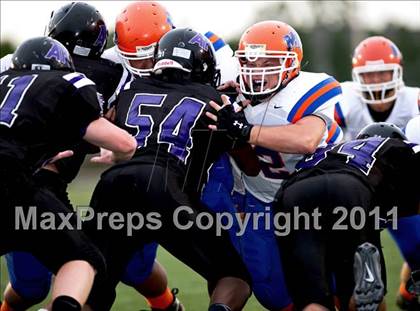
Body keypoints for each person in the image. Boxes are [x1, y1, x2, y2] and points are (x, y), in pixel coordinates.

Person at [83, 28, 252, 311]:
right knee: (234, 276)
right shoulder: (214, 99)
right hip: (166, 185)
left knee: (92, 285)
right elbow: (248, 163)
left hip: (115, 183)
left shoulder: (129, 91)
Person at [202, 20, 343, 310]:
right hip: (261, 200)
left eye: (269, 62)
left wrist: (244, 131)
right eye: (250, 62)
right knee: (270, 290)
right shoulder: (232, 98)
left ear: (292, 64)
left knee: (334, 283)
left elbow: (306, 139)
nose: (258, 70)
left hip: (317, 202)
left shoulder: (311, 87)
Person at [0, 36, 136, 311]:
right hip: (11, 180)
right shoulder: (68, 83)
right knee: (83, 260)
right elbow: (126, 144)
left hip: (20, 176)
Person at [273, 122, 420, 311]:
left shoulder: (331, 150)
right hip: (348, 189)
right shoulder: (395, 147)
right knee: (362, 292)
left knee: (312, 300)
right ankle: (362, 284)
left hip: (294, 195)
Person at [334, 35, 420, 310]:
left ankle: (409, 290)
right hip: (358, 191)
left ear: (398, 71)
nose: (378, 81)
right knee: (353, 274)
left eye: (383, 72)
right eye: (370, 75)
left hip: (402, 193)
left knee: (418, 251)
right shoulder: (343, 100)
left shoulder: (414, 101)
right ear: (356, 76)